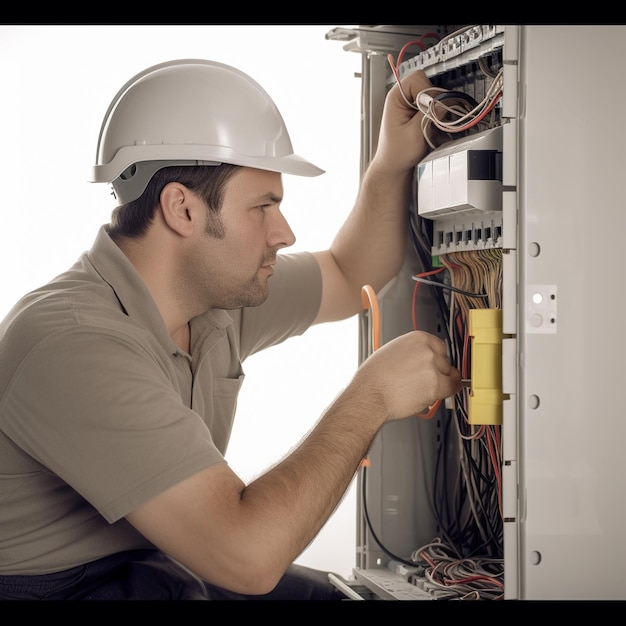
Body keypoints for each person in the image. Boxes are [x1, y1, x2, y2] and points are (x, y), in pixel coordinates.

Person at [0, 58, 461, 600]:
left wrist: (389, 162)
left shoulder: (211, 295)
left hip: (152, 561)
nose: (284, 233)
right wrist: (372, 395)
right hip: (56, 588)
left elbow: (348, 272)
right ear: (183, 209)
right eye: (263, 207)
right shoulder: (74, 345)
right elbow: (249, 559)